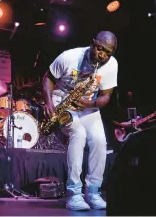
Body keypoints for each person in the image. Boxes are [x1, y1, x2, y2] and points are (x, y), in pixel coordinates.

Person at [42, 31, 118, 210]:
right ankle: (74, 194)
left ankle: (93, 192)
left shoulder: (111, 64)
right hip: (63, 99)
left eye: (108, 52)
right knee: (79, 133)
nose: (103, 55)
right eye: (100, 49)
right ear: (93, 44)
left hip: (88, 105)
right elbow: (48, 78)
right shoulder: (69, 56)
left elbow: (106, 97)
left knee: (100, 141)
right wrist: (48, 103)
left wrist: (90, 102)